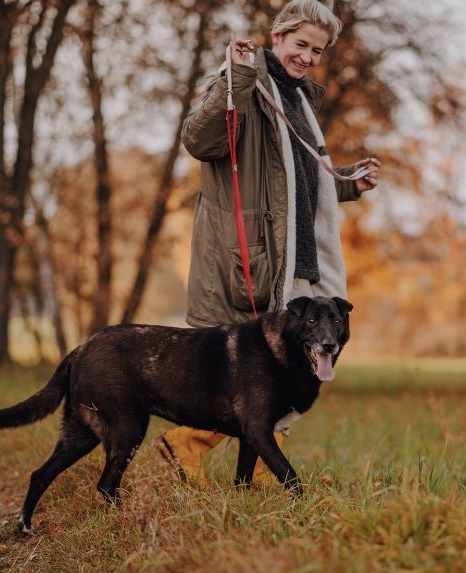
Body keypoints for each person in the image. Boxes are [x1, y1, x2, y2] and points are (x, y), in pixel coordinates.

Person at [155, 0, 380, 484]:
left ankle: (248, 467)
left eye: (317, 50)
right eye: (301, 44)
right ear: (277, 36)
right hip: (248, 253)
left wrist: (346, 184)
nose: (308, 57)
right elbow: (199, 141)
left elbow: (295, 182)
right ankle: (187, 447)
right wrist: (235, 79)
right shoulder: (243, 84)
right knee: (259, 366)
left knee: (286, 364)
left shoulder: (298, 99)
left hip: (293, 256)